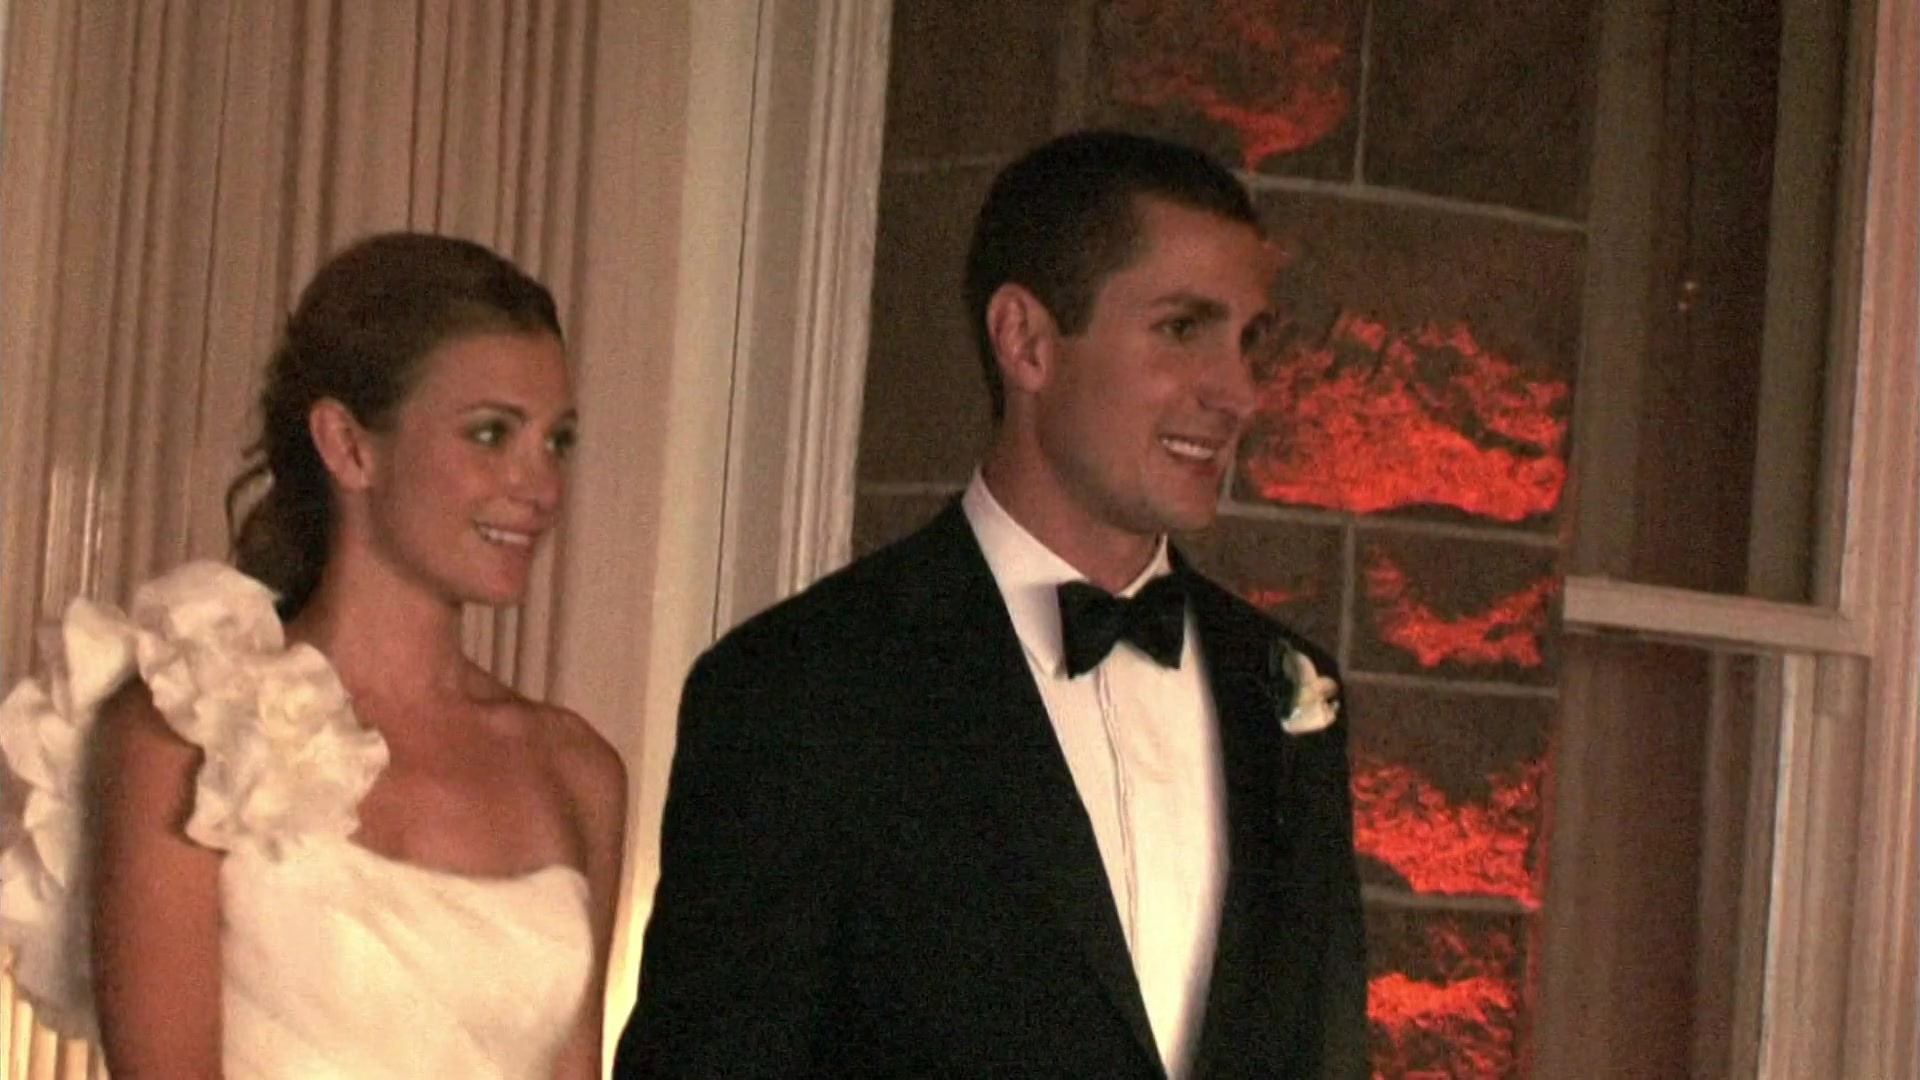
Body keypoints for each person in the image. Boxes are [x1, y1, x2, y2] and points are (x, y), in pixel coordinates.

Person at [616, 131, 1366, 1078]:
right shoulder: (800, 685)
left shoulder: (1286, 691)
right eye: (1184, 330)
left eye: (1248, 341)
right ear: (1026, 341)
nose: (1239, 393)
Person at [0, 232, 628, 1079]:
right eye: (491, 434)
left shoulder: (577, 771)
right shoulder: (183, 733)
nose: (541, 486)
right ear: (348, 445)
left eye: (559, 441)